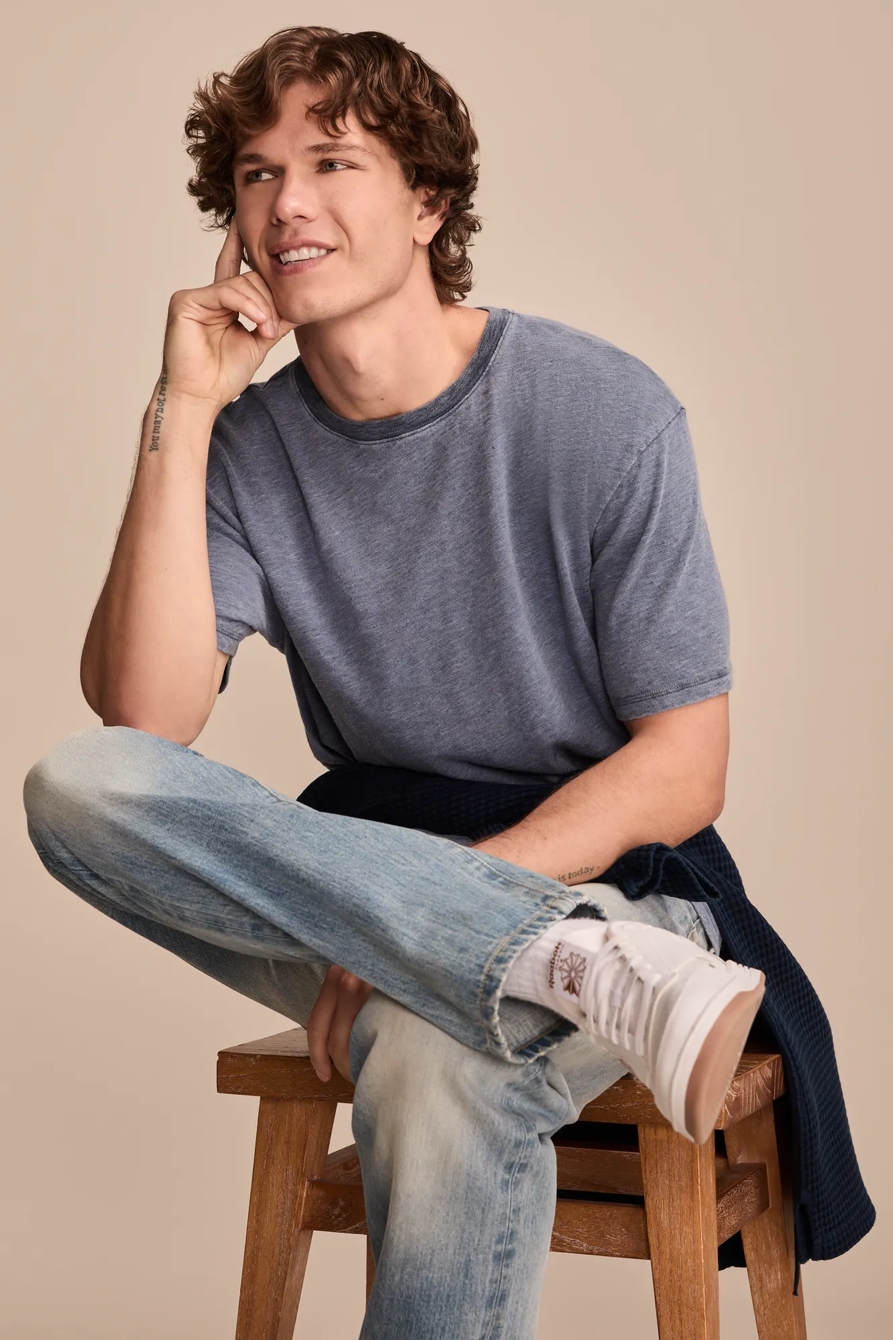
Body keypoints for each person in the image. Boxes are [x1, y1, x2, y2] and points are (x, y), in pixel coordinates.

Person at [22, 25, 873, 1339]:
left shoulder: (603, 413)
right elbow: (146, 721)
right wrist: (182, 411)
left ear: (427, 202)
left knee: (431, 1051)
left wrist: (446, 919)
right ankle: (552, 963)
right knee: (77, 782)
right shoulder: (247, 449)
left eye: (331, 161)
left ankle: (547, 948)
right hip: (372, 890)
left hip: (618, 887)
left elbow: (683, 767)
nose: (286, 202)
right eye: (256, 173)